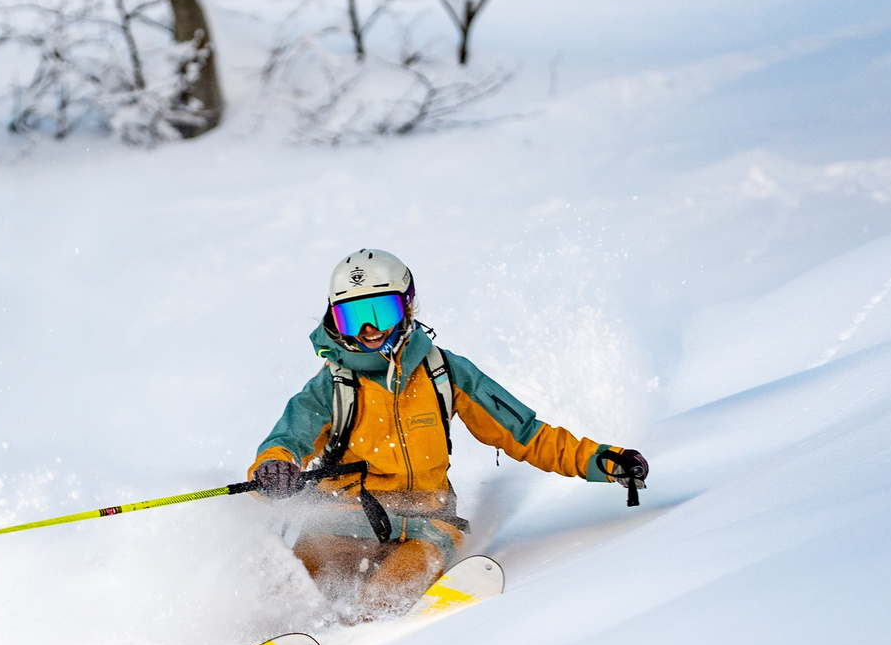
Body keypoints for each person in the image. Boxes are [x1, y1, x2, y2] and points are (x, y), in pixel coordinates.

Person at [251, 248, 649, 614]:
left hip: (425, 526)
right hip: (341, 522)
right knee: (300, 596)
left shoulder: (445, 373)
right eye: (353, 317)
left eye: (382, 312)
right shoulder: (332, 387)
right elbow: (286, 441)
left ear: (407, 307)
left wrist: (600, 460)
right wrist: (274, 468)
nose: (369, 329)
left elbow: (525, 433)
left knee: (381, 602)